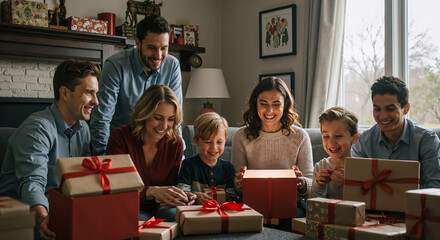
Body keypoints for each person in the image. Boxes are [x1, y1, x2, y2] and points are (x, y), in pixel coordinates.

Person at [0, 60, 100, 240]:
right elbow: (32, 182)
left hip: (59, 208)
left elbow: (81, 181)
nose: (96, 101)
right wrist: (43, 217)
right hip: (21, 215)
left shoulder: (83, 129)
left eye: (96, 93)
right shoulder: (37, 129)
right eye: (88, 93)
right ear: (65, 93)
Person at [90, 15, 182, 155]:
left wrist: (178, 158)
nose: (158, 55)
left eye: (164, 48)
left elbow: (176, 119)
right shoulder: (115, 65)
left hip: (156, 149)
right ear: (137, 43)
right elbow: (101, 119)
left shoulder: (172, 65)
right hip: (120, 147)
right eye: (152, 48)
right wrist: (105, 159)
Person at [106, 85, 195, 222]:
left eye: (170, 119)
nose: (164, 126)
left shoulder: (175, 143)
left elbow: (172, 185)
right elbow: (118, 188)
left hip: (162, 208)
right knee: (135, 222)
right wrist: (151, 191)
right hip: (128, 206)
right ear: (144, 114)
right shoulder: (120, 138)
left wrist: (183, 196)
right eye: (158, 118)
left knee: (180, 219)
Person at [232, 77, 314, 217]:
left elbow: (311, 183)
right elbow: (236, 187)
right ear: (255, 103)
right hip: (253, 204)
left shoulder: (300, 136)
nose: (269, 111)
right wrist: (240, 183)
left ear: (285, 104)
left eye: (276, 104)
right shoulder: (241, 136)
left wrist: (301, 183)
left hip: (292, 204)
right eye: (263, 103)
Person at [351, 75, 440, 188]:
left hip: (416, 204)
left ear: (406, 109)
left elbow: (435, 187)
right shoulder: (363, 141)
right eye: (377, 109)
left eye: (390, 109)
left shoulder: (427, 139)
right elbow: (357, 183)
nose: (383, 116)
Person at [177, 112, 237, 205]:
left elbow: (231, 197)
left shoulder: (228, 168)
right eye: (208, 142)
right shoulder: (188, 165)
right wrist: (195, 196)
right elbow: (182, 195)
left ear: (225, 140)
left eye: (219, 142)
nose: (214, 148)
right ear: (196, 141)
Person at [309, 107, 359, 199]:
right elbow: (313, 204)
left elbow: (365, 202)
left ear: (354, 138)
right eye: (326, 136)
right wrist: (319, 185)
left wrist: (348, 186)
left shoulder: (360, 168)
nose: (331, 143)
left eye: (338, 136)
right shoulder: (320, 167)